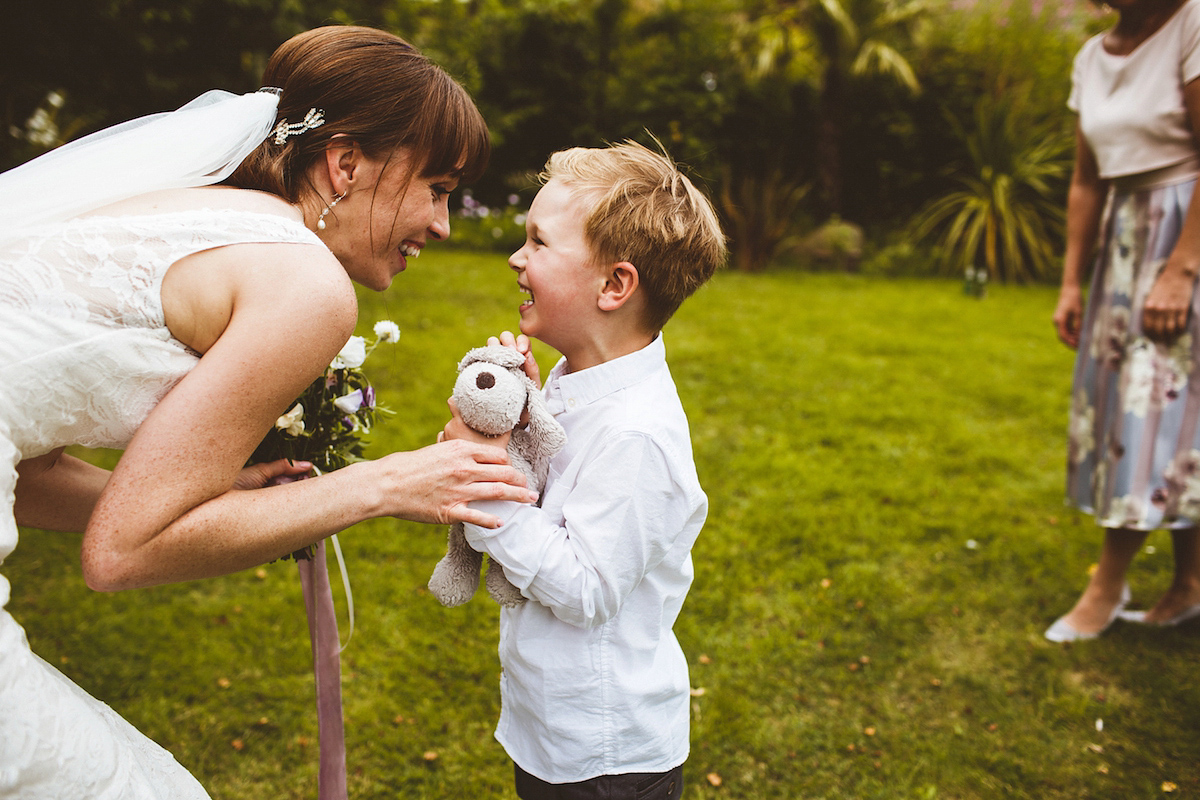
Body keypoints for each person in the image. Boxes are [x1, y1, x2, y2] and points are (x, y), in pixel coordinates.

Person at [0, 25, 536, 798]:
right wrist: (384, 486)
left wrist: (214, 499)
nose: (444, 225)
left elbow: (27, 472)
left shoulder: (198, 210)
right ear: (345, 162)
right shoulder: (307, 286)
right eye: (437, 189)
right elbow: (121, 554)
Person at [440, 141, 726, 799]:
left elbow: (587, 588)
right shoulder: (578, 383)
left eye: (538, 242)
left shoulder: (638, 436)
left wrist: (488, 484)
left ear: (615, 285)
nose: (516, 257)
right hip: (558, 731)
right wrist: (520, 429)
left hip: (605, 759)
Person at [1048, 0, 1200, 641]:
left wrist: (1181, 270)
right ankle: (1190, 584)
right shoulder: (1091, 56)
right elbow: (1086, 180)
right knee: (1147, 415)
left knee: (1153, 410)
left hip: (1181, 234)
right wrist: (1071, 281)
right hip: (1120, 239)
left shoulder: (1192, 25)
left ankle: (1107, 584)